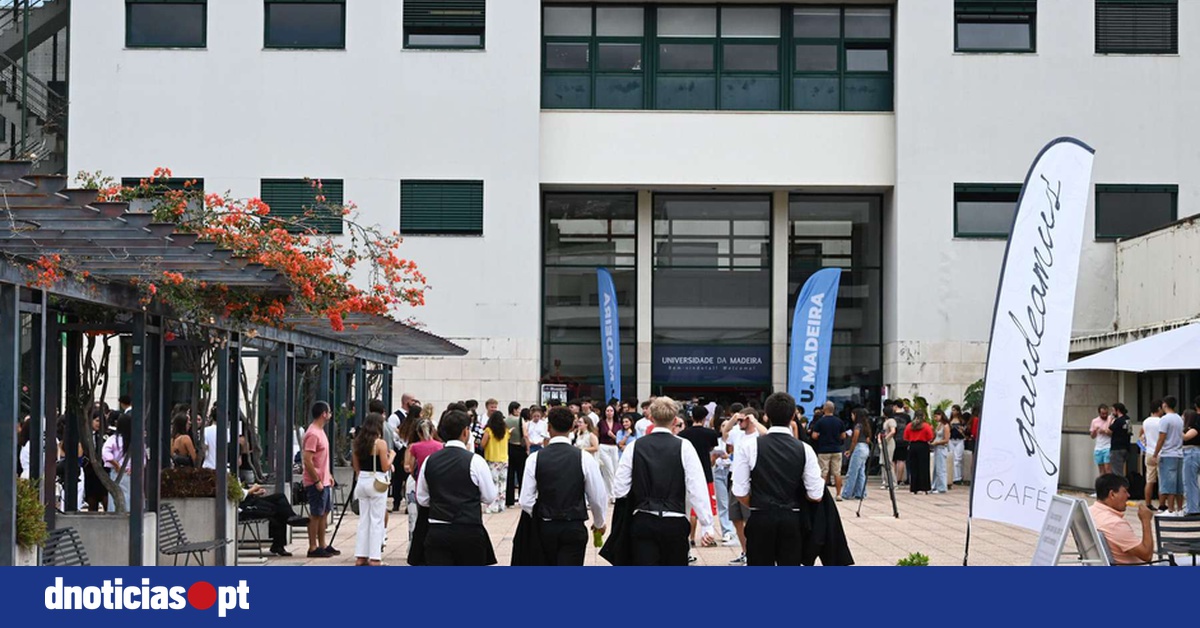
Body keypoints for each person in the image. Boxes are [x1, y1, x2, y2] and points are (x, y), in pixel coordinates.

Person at [611, 396, 715, 566]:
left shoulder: (634, 447)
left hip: (643, 517)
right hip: (675, 518)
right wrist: (707, 524)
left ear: (651, 418)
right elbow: (696, 487)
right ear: (675, 421)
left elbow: (619, 489)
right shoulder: (684, 446)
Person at [732, 391, 824, 566]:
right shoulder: (805, 449)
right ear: (793, 416)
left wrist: (757, 503)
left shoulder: (749, 446)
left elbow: (740, 490)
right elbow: (816, 494)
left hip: (760, 515)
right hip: (792, 517)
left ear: (766, 416)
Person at [517, 406, 608, 565]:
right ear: (572, 427)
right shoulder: (584, 458)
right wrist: (599, 522)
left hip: (545, 525)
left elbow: (525, 500)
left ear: (548, 427)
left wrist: (541, 513)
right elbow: (597, 497)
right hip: (573, 524)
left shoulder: (535, 458)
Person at [415, 410, 498, 566]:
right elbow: (489, 496)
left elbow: (422, 499)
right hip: (468, 528)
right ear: (465, 432)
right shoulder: (475, 461)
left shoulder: (430, 460)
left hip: (438, 528)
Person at [722, 407, 766, 564]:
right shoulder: (737, 433)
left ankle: (754, 552)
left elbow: (767, 434)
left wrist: (754, 420)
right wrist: (733, 419)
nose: (739, 422)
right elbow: (725, 434)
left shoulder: (758, 435)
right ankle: (745, 551)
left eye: (742, 420)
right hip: (735, 477)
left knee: (750, 519)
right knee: (736, 517)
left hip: (752, 480)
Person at [352, 414, 394, 566]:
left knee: (364, 519)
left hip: (362, 480)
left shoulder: (357, 443)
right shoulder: (380, 444)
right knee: (377, 519)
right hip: (376, 481)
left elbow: (356, 467)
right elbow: (385, 466)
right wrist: (392, 456)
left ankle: (361, 556)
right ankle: (375, 557)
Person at [679, 404, 720, 554]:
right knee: (704, 505)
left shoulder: (683, 434)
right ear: (705, 418)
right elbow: (711, 452)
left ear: (691, 416)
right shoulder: (711, 434)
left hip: (687, 473)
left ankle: (690, 537)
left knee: (690, 508)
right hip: (706, 473)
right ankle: (706, 536)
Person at [1089, 473, 1155, 564]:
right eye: (1125, 491)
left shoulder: (1090, 511)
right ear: (1112, 494)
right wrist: (1146, 521)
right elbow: (1147, 555)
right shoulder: (1115, 524)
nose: (1128, 495)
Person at [302, 401, 338, 558]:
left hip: (324, 480)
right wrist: (316, 480)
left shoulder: (321, 431)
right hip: (315, 481)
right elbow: (307, 459)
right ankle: (312, 546)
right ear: (324, 414)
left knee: (324, 511)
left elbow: (322, 458)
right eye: (329, 412)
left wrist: (328, 475)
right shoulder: (313, 433)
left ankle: (323, 544)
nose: (330, 414)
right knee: (316, 513)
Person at [239, 483, 308, 557]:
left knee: (280, 497)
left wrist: (255, 493)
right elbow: (239, 496)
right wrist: (252, 489)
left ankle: (291, 517)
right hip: (245, 507)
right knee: (278, 510)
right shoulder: (230, 479)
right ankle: (278, 545)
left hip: (251, 500)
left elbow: (243, 494)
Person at [403, 418, 442, 543]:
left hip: (419, 482)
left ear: (418, 433)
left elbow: (410, 467)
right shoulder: (440, 446)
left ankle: (415, 543)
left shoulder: (414, 447)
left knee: (416, 516)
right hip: (436, 484)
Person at [1152, 397, 1185, 516]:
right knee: (1179, 483)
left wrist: (1155, 454)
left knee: (1169, 482)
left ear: (1165, 405)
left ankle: (1170, 509)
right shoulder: (1179, 419)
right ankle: (1180, 509)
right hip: (1179, 454)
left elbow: (1161, 438)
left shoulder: (1165, 419)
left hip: (1168, 453)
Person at [809, 401, 845, 500]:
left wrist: (821, 436)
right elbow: (843, 436)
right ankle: (838, 494)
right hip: (836, 449)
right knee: (837, 472)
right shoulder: (839, 421)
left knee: (823, 472)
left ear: (824, 409)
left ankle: (822, 494)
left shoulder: (820, 422)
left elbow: (814, 436)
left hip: (823, 450)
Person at [481, 411, 510, 514]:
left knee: (493, 483)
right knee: (502, 483)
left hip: (492, 459)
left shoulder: (488, 430)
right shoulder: (505, 431)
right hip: (504, 459)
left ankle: (492, 506)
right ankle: (501, 505)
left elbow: (483, 444)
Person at [841, 407, 873, 500]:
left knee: (852, 472)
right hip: (865, 448)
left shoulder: (857, 426)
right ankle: (860, 492)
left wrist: (850, 450)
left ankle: (847, 493)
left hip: (858, 448)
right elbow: (868, 439)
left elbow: (854, 440)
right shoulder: (866, 426)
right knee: (861, 472)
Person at [1140, 400, 1164, 510]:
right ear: (1159, 408)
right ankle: (1162, 504)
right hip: (1160, 452)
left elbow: (1141, 436)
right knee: (1162, 480)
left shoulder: (1146, 421)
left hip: (1149, 452)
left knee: (1149, 480)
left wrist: (1145, 446)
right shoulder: (1161, 421)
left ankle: (1148, 503)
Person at [905, 411, 934, 494]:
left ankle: (914, 488)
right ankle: (924, 488)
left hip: (913, 446)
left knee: (913, 467)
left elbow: (906, 437)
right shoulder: (926, 426)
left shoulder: (909, 426)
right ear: (923, 416)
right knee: (924, 467)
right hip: (923, 446)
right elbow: (930, 437)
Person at [595, 404, 620, 500]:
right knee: (608, 471)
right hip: (603, 447)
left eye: (611, 411)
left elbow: (620, 439)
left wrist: (613, 436)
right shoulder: (601, 423)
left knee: (615, 470)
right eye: (607, 411)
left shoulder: (618, 424)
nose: (609, 413)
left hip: (614, 447)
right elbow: (597, 435)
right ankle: (611, 494)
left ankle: (612, 492)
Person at [505, 401, 526, 508]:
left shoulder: (505, 420)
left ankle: (509, 501)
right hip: (519, 447)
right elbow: (525, 435)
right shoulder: (520, 420)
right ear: (514, 410)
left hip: (509, 447)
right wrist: (527, 448)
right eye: (518, 409)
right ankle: (522, 499)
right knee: (521, 474)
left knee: (510, 474)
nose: (520, 411)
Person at [1181, 409, 1200, 516]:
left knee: (1189, 481)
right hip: (1189, 453)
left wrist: (1176, 429)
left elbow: (1186, 437)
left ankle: (1192, 508)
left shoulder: (1193, 428)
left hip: (1191, 453)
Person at [930, 409, 950, 494]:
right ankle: (934, 486)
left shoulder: (946, 426)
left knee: (941, 468)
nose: (935, 418)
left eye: (936, 416)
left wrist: (937, 442)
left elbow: (946, 439)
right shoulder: (939, 425)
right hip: (936, 448)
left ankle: (942, 487)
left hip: (941, 447)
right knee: (936, 468)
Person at [1090, 404, 1113, 476]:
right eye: (1103, 414)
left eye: (1106, 413)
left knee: (1107, 468)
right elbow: (1092, 436)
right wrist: (1094, 431)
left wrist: (1104, 431)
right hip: (1098, 447)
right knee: (1101, 469)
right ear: (1099, 413)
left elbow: (1112, 434)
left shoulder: (1110, 419)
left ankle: (1109, 482)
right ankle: (1102, 482)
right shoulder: (1094, 421)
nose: (1105, 415)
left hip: (1108, 446)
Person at [879, 408, 897, 490]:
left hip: (889, 442)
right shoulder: (885, 421)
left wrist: (886, 439)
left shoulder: (891, 421)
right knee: (883, 462)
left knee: (888, 461)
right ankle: (886, 481)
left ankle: (893, 482)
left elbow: (893, 431)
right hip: (884, 442)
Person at [893, 402, 909, 486]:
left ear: (895, 406)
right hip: (904, 440)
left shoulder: (892, 416)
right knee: (901, 460)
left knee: (893, 460)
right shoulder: (907, 416)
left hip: (893, 440)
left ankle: (893, 479)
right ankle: (899, 479)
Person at [948, 405, 966, 484]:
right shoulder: (950, 420)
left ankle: (958, 477)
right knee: (952, 458)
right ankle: (953, 477)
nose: (953, 412)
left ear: (958, 411)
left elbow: (965, 431)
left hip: (959, 440)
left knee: (958, 459)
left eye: (955, 410)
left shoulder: (961, 421)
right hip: (951, 440)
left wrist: (962, 430)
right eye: (952, 410)